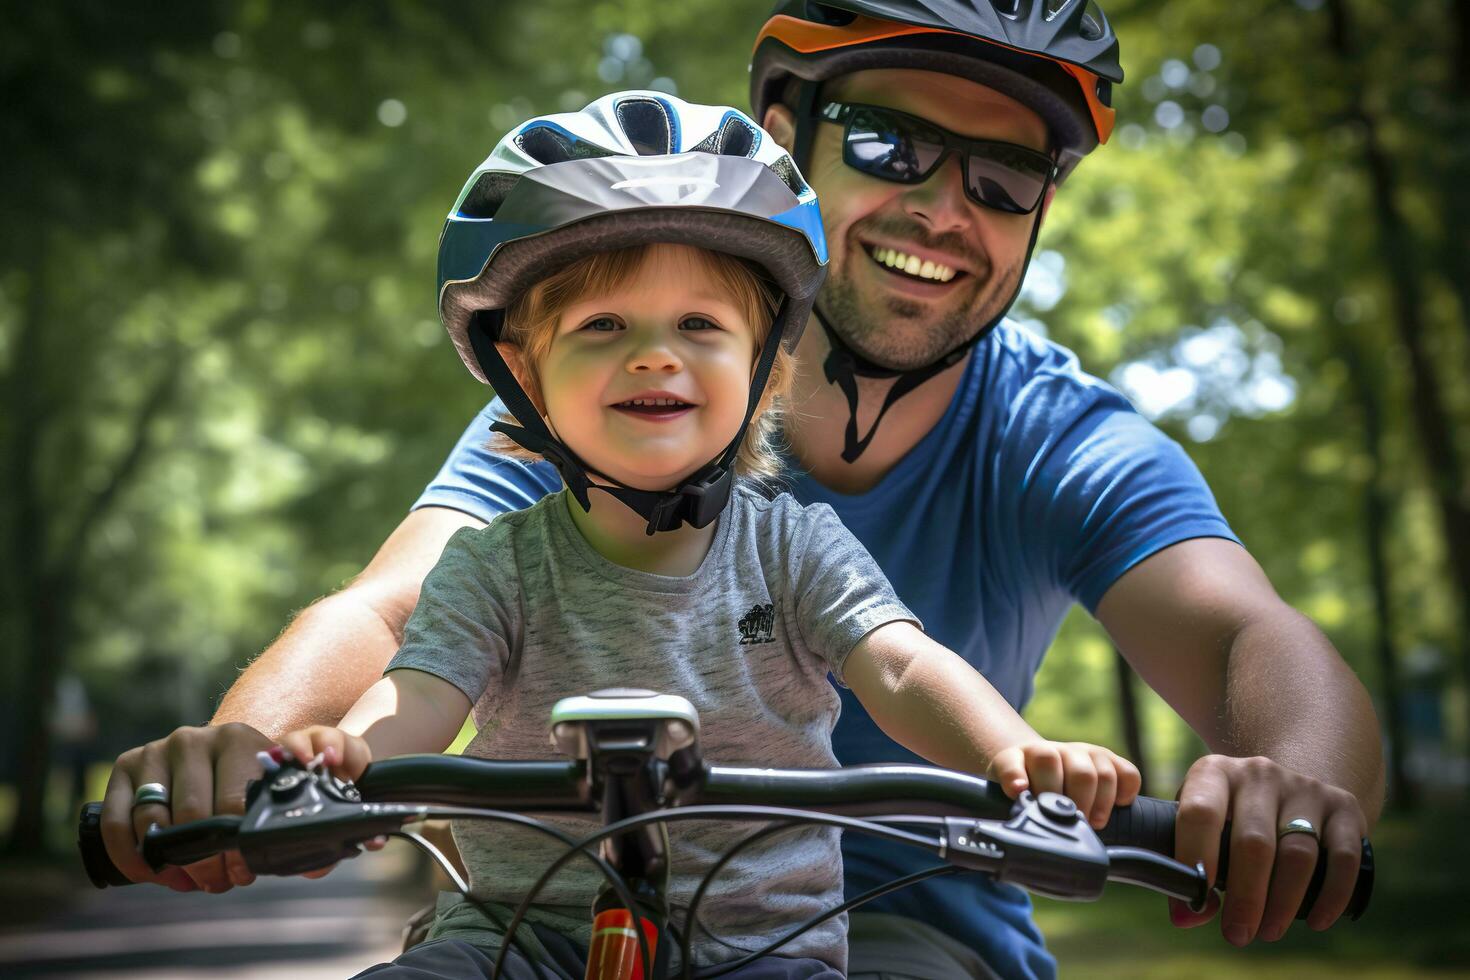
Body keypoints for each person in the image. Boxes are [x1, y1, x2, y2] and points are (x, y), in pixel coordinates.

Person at [102, 3, 1385, 977]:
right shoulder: (585, 426)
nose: (945, 210)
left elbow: (1242, 633)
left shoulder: (1052, 433)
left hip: (898, 937)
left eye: (1005, 179)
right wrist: (248, 762)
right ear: (787, 141)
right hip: (546, 913)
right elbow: (393, 611)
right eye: (892, 144)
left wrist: (1294, 782)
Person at [275, 94, 1140, 978]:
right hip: (518, 937)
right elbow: (420, 692)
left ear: (764, 374)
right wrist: (346, 759)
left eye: (700, 325)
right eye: (602, 325)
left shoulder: (797, 550)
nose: (655, 355)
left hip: (767, 944)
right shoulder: (495, 567)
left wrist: (1017, 758)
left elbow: (903, 667)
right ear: (525, 381)